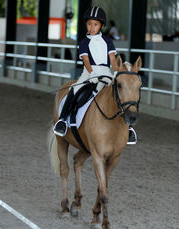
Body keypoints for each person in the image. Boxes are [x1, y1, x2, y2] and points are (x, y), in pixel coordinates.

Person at [53, 6, 137, 144]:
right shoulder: (84, 42)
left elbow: (112, 59)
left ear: (102, 26)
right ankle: (62, 120)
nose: (92, 27)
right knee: (74, 90)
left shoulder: (108, 41)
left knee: (120, 94)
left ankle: (129, 128)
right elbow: (86, 60)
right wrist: (92, 74)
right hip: (89, 73)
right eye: (89, 24)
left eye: (95, 24)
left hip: (106, 72)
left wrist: (115, 72)